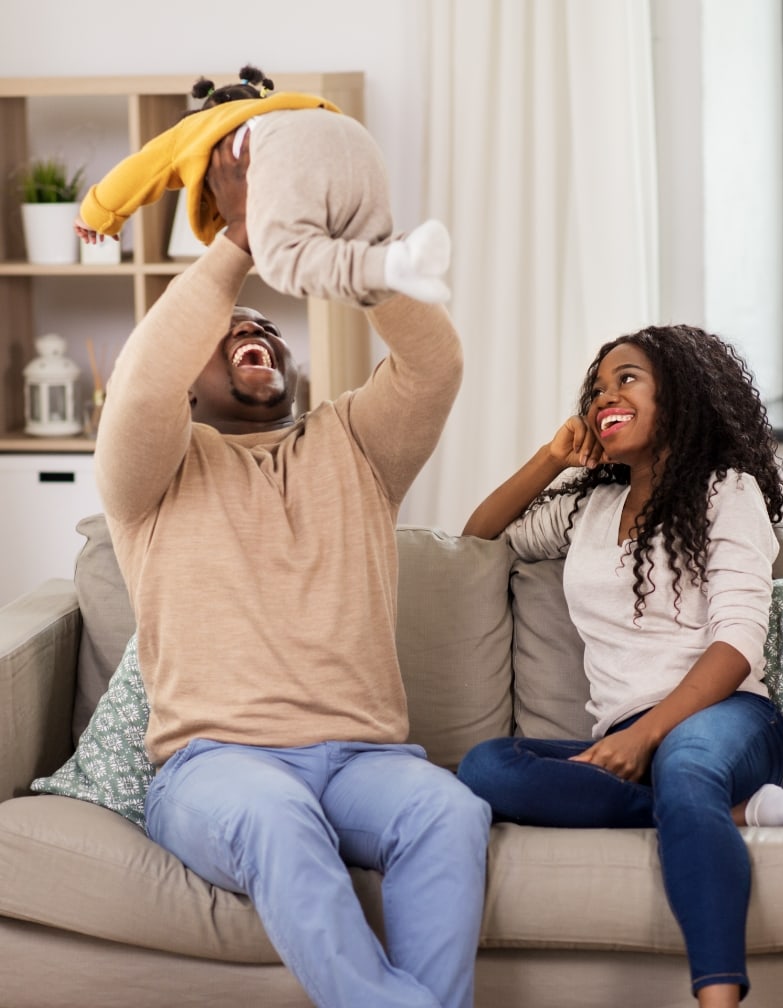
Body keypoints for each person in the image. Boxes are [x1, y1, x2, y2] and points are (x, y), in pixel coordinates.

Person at [93, 129, 490, 1008]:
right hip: (216, 767)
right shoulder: (149, 474)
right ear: (190, 386)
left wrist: (349, 252)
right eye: (231, 332)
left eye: (269, 327)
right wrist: (238, 242)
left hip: (361, 761)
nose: (256, 331)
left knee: (450, 811)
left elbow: (435, 365)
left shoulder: (356, 444)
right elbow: (141, 386)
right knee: (275, 817)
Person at [456, 323, 783, 1008]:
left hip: (724, 718)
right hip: (627, 737)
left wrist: (646, 734)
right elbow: (478, 536)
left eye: (627, 379)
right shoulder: (587, 508)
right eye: (598, 387)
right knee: (485, 767)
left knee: (687, 770)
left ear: (681, 396)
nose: (606, 396)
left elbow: (737, 642)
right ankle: (738, 812)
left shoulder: (727, 491)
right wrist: (552, 458)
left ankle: (717, 1000)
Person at [75, 65, 451, 306]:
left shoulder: (195, 131)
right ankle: (409, 252)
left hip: (285, 144)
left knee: (283, 260)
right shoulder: (277, 106)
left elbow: (139, 168)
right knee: (359, 253)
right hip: (348, 131)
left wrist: (96, 216)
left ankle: (397, 261)